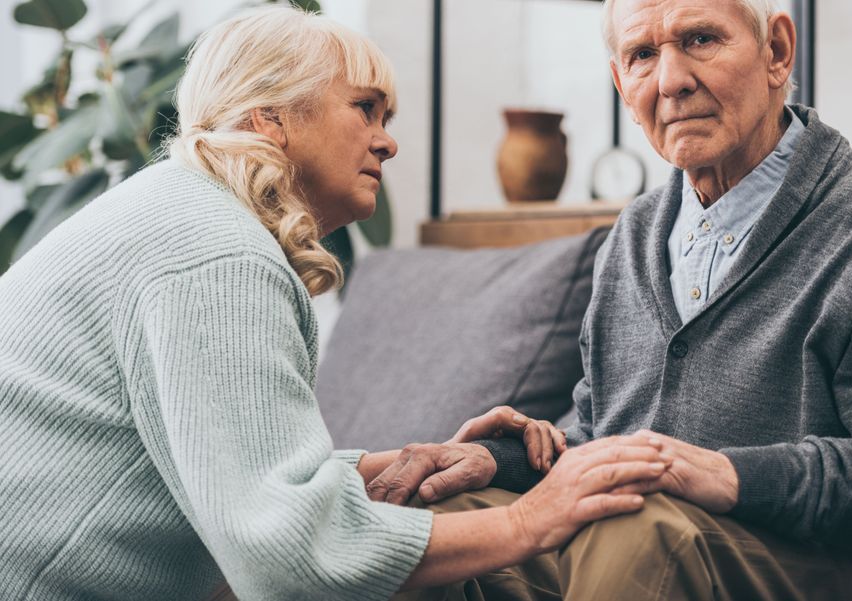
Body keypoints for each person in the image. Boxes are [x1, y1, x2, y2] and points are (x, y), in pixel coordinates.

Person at [0, 6, 671, 601]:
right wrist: (530, 519)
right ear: (270, 118)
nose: (388, 141)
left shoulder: (183, 214)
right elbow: (286, 557)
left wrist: (389, 462)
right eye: (365, 109)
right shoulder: (216, 251)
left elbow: (228, 466)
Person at [388, 0, 852, 599]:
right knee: (435, 525)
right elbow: (608, 437)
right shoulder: (635, 232)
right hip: (641, 545)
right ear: (622, 83)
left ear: (776, 52)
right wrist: (506, 460)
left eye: (700, 39)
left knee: (641, 529)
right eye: (643, 54)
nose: (672, 81)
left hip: (848, 567)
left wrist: (728, 474)